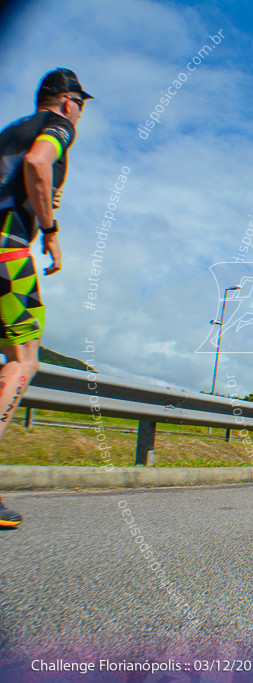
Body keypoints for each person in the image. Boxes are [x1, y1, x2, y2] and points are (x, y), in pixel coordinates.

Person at [0, 69, 92, 529]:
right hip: (8, 250)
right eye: (81, 102)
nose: (81, 112)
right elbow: (39, 163)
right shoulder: (57, 127)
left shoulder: (7, 132)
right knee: (24, 358)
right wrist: (50, 229)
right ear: (67, 100)